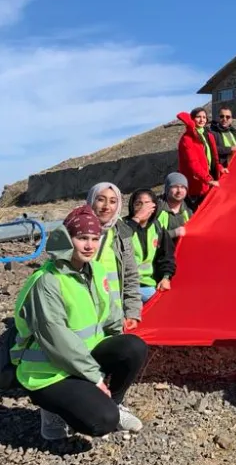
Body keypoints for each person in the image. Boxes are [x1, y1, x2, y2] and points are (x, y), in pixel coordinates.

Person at [12, 205, 147, 440]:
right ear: (67, 238)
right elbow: (58, 341)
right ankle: (53, 410)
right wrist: (95, 378)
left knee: (133, 347)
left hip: (81, 357)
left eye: (95, 238)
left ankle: (112, 404)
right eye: (82, 238)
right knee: (102, 421)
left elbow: (111, 315)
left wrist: (116, 350)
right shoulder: (48, 281)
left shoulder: (95, 270)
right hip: (48, 370)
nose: (89, 245)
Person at [86, 182, 141, 330]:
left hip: (116, 317)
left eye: (112, 201)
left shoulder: (122, 233)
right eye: (100, 199)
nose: (106, 206)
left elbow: (131, 276)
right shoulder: (77, 232)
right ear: (91, 200)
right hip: (85, 313)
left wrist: (132, 313)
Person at [124, 189, 177, 303]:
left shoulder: (157, 227)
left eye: (147, 204)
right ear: (132, 206)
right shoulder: (124, 226)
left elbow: (167, 255)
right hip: (126, 286)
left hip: (151, 285)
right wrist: (136, 219)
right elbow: (119, 243)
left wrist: (166, 277)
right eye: (138, 204)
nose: (143, 208)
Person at [177, 107, 222, 211]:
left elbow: (212, 158)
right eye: (198, 117)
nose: (202, 120)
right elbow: (193, 164)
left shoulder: (209, 136)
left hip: (209, 181)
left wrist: (219, 168)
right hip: (196, 185)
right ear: (192, 119)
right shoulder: (187, 139)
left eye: (204, 117)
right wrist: (209, 180)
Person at [156, 172, 192, 241]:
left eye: (182, 187)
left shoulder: (188, 210)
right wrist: (174, 233)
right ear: (167, 189)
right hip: (163, 251)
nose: (179, 191)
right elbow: (149, 238)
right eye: (175, 186)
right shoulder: (156, 209)